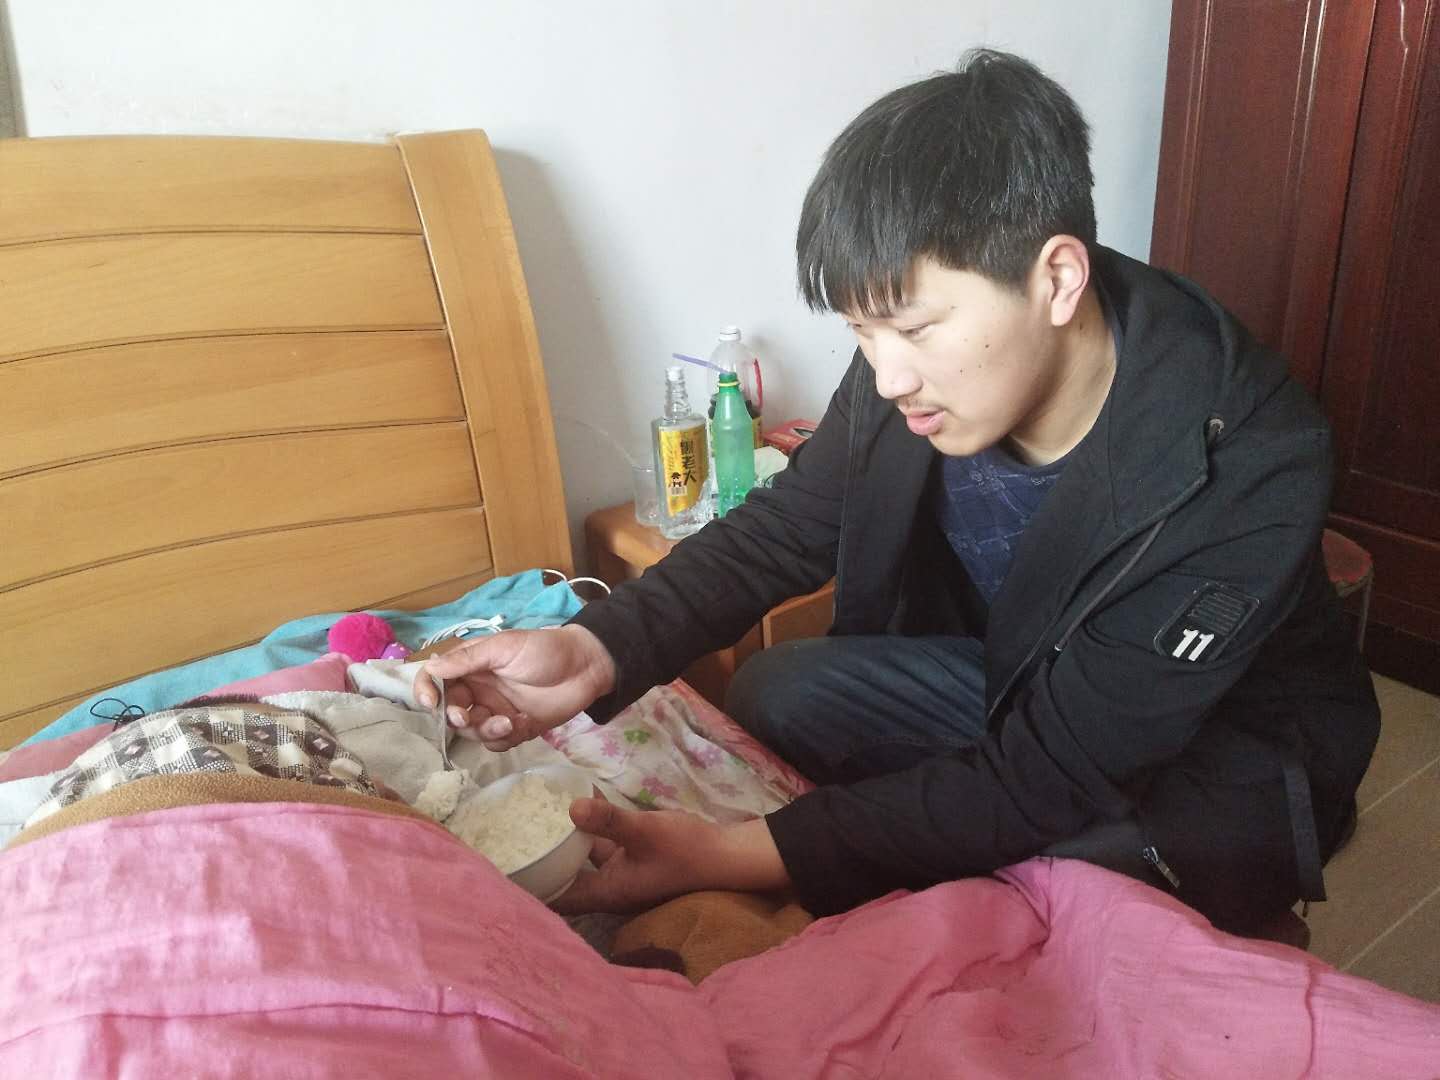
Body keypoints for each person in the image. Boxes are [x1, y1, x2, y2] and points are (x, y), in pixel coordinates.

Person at [417, 49, 1380, 933]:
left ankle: (1235, 905)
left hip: (1205, 750)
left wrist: (733, 854)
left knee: (1074, 880)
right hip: (1020, 682)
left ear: (1057, 279)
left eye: (914, 330)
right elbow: (788, 527)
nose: (886, 378)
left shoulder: (1246, 458)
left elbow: (1050, 775)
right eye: (861, 334)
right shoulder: (910, 368)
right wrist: (595, 648)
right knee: (780, 690)